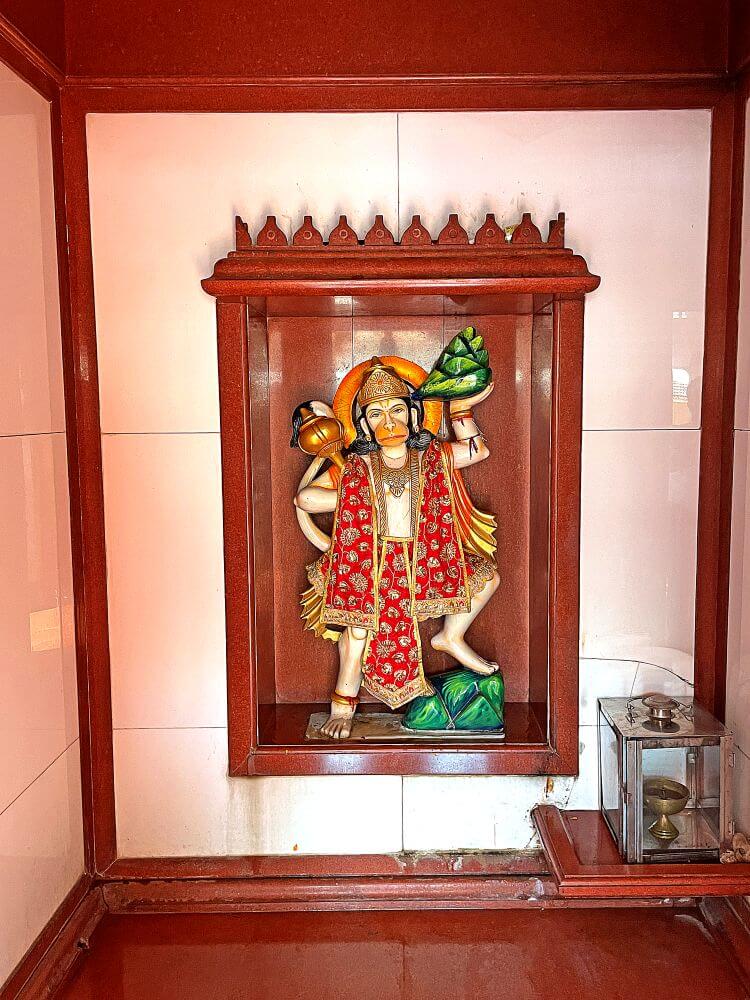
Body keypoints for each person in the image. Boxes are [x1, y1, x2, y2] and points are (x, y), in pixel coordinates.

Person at [294, 357, 499, 739]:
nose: (388, 422)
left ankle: (451, 636)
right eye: (376, 414)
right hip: (370, 563)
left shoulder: (431, 457)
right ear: (364, 425)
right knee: (356, 633)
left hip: (425, 559)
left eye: (397, 410)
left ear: (414, 414)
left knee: (486, 579)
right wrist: (354, 493)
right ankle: (343, 707)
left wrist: (461, 408)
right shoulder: (356, 467)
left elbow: (476, 451)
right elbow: (306, 499)